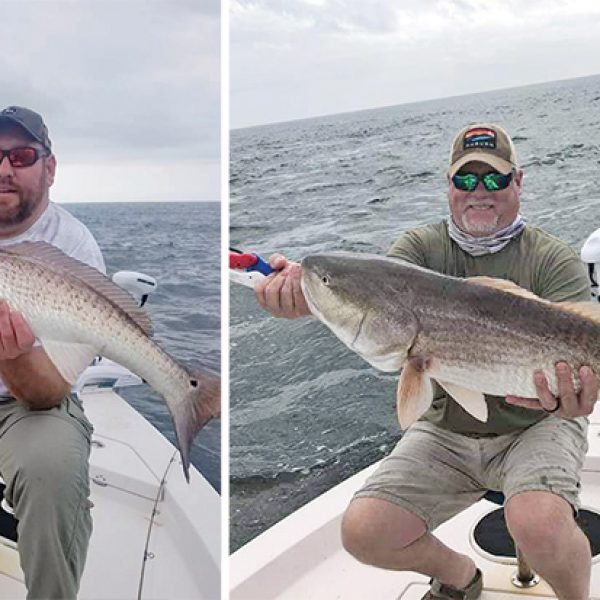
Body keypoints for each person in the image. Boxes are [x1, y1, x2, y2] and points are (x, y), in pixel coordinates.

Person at [254, 123, 597, 600]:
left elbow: (580, 370)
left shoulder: (551, 260)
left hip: (538, 423)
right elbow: (373, 306)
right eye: (466, 180)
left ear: (518, 182)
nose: (481, 192)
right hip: (448, 428)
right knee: (363, 530)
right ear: (449, 185)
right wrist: (307, 299)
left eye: (495, 180)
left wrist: (573, 402)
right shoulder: (416, 253)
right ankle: (459, 577)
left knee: (537, 521)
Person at [0, 105, 105, 599]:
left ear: (50, 167)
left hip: (29, 401)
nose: (4, 169)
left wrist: (13, 356)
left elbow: (47, 392)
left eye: (21, 156)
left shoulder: (73, 246)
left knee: (52, 470)